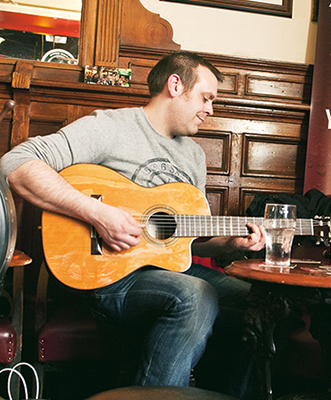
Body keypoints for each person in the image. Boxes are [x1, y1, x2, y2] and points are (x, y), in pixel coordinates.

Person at [0, 51, 265, 397]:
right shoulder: (110, 127)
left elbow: (182, 240)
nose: (210, 110)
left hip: (170, 272)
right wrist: (97, 214)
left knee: (261, 305)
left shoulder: (194, 155)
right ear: (175, 85)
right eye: (206, 97)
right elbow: (15, 163)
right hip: (110, 277)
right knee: (195, 294)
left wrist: (229, 246)